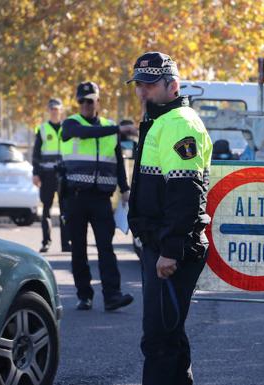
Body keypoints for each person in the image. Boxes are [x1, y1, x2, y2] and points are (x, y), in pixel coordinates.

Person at [127, 52, 212, 385]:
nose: (142, 91)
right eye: (139, 84)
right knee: (169, 336)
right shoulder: (159, 120)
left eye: (149, 84)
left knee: (159, 341)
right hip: (160, 242)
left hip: (171, 247)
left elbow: (186, 193)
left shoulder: (179, 123)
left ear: (172, 86)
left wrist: (171, 249)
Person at [60, 81, 135, 311]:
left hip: (101, 198)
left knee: (106, 248)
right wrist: (118, 130)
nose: (85, 105)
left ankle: (112, 296)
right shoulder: (71, 124)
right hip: (75, 197)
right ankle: (85, 296)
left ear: (98, 101)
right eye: (81, 101)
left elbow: (119, 161)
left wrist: (125, 188)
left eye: (90, 100)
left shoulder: (109, 126)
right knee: (79, 250)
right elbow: (84, 133)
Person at [32, 98, 71, 253]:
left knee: (65, 210)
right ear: (49, 110)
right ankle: (46, 242)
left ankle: (65, 243)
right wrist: (35, 173)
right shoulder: (42, 130)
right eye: (52, 109)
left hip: (64, 175)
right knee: (46, 210)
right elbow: (36, 154)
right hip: (47, 175)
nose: (55, 111)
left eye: (57, 109)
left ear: (61, 110)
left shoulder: (68, 128)